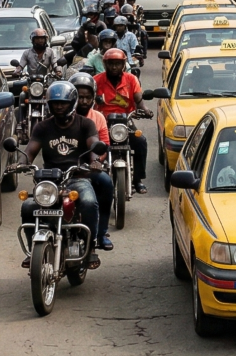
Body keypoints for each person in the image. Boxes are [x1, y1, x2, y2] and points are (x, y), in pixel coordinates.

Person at [18, 81, 104, 267]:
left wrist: (95, 161)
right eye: (55, 102)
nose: (58, 106)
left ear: (72, 102)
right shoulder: (42, 127)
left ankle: (90, 250)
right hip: (49, 181)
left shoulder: (85, 124)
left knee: (89, 202)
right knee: (27, 207)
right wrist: (21, 163)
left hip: (77, 178)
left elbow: (93, 145)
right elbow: (30, 151)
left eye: (63, 102)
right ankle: (34, 250)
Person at [70, 71, 115, 252]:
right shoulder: (60, 116)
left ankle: (101, 233)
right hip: (64, 170)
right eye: (79, 97)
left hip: (89, 169)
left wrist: (97, 162)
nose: (83, 101)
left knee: (106, 183)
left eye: (87, 98)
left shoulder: (98, 117)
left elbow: (104, 144)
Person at [94, 49, 149, 195]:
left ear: (123, 64)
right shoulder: (96, 80)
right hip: (103, 121)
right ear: (104, 64)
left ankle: (137, 180)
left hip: (126, 121)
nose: (114, 67)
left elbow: (139, 100)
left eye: (117, 64)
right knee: (92, 144)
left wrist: (145, 110)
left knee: (140, 141)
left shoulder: (131, 79)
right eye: (110, 64)